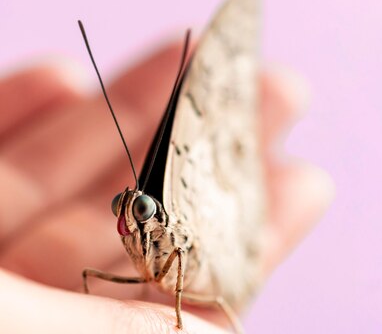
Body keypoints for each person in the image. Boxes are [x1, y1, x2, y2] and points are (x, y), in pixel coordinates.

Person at [0, 41, 334, 333]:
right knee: (89, 273)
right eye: (123, 206)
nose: (128, 215)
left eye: (137, 209)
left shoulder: (171, 243)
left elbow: (173, 254)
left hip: (214, 266)